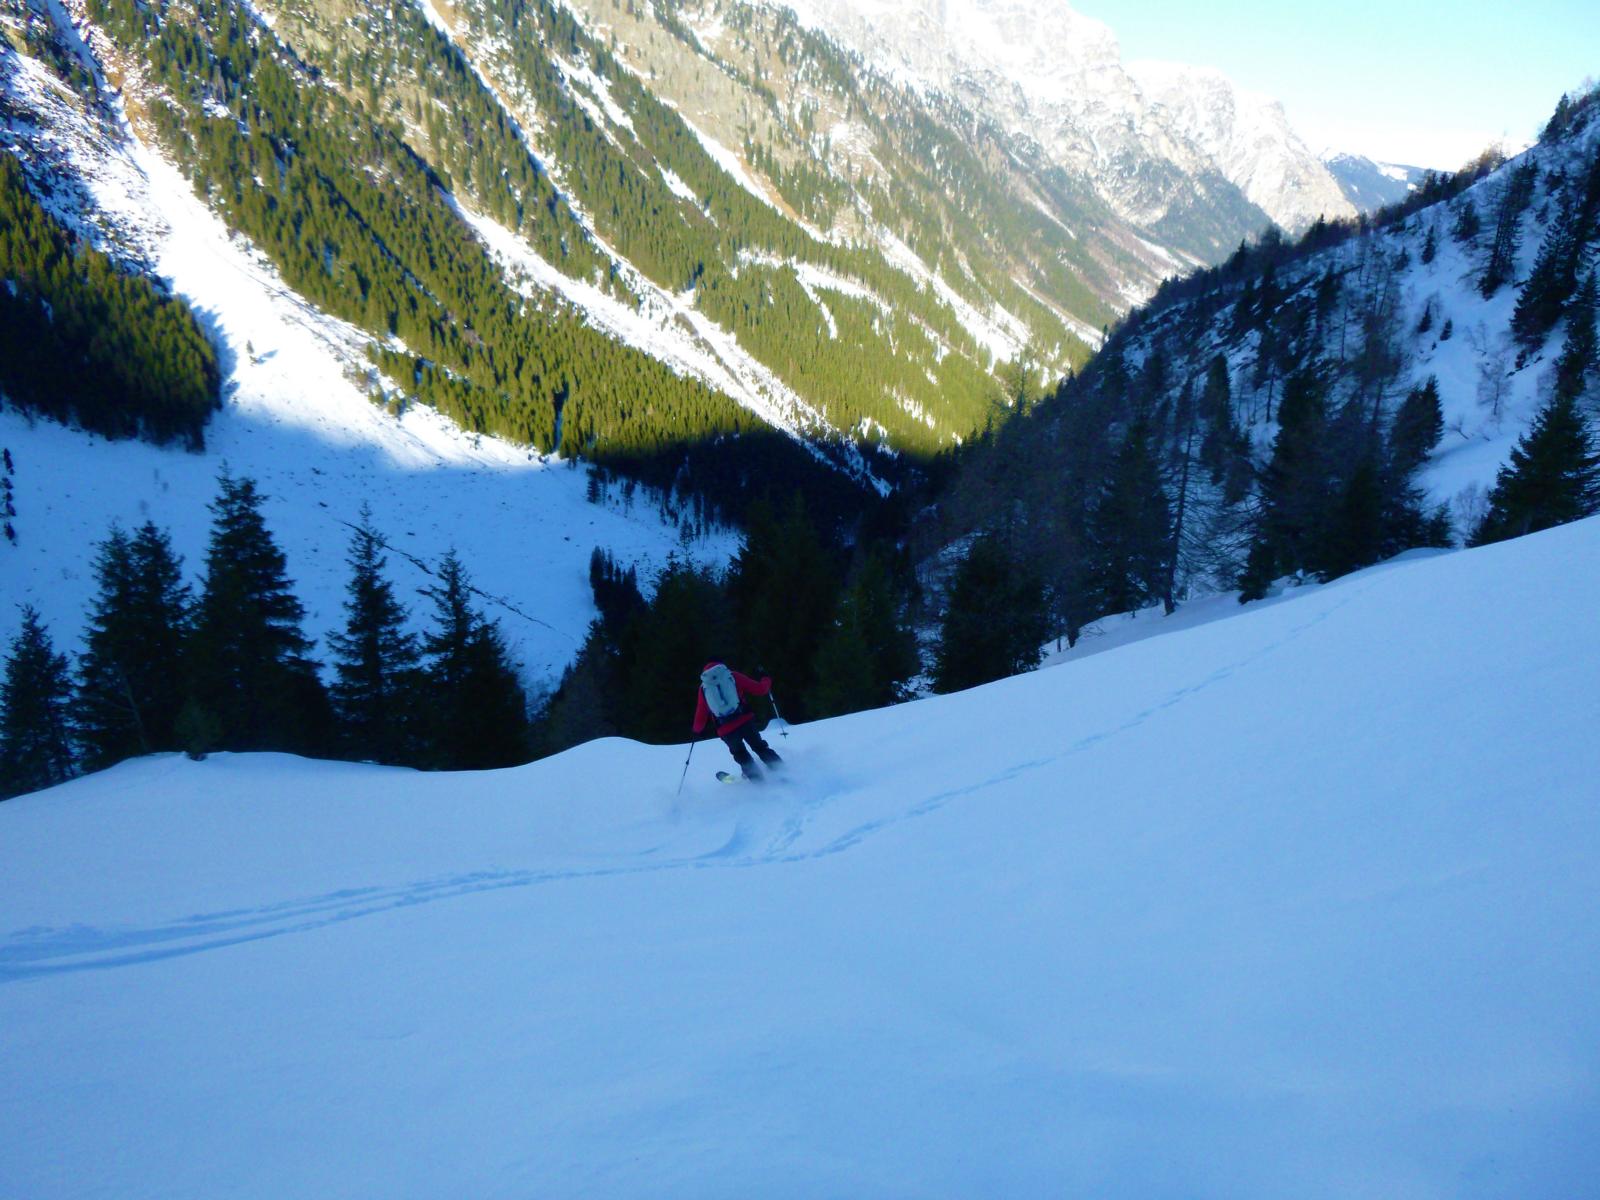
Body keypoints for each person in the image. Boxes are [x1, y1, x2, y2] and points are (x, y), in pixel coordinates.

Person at [692, 659, 782, 780]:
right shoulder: (732, 676)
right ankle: (781, 770)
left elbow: (701, 714)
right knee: (760, 747)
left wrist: (696, 730)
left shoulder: (704, 688)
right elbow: (760, 689)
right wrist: (766, 678)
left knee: (741, 754)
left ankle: (758, 781)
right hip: (745, 721)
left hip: (725, 729)